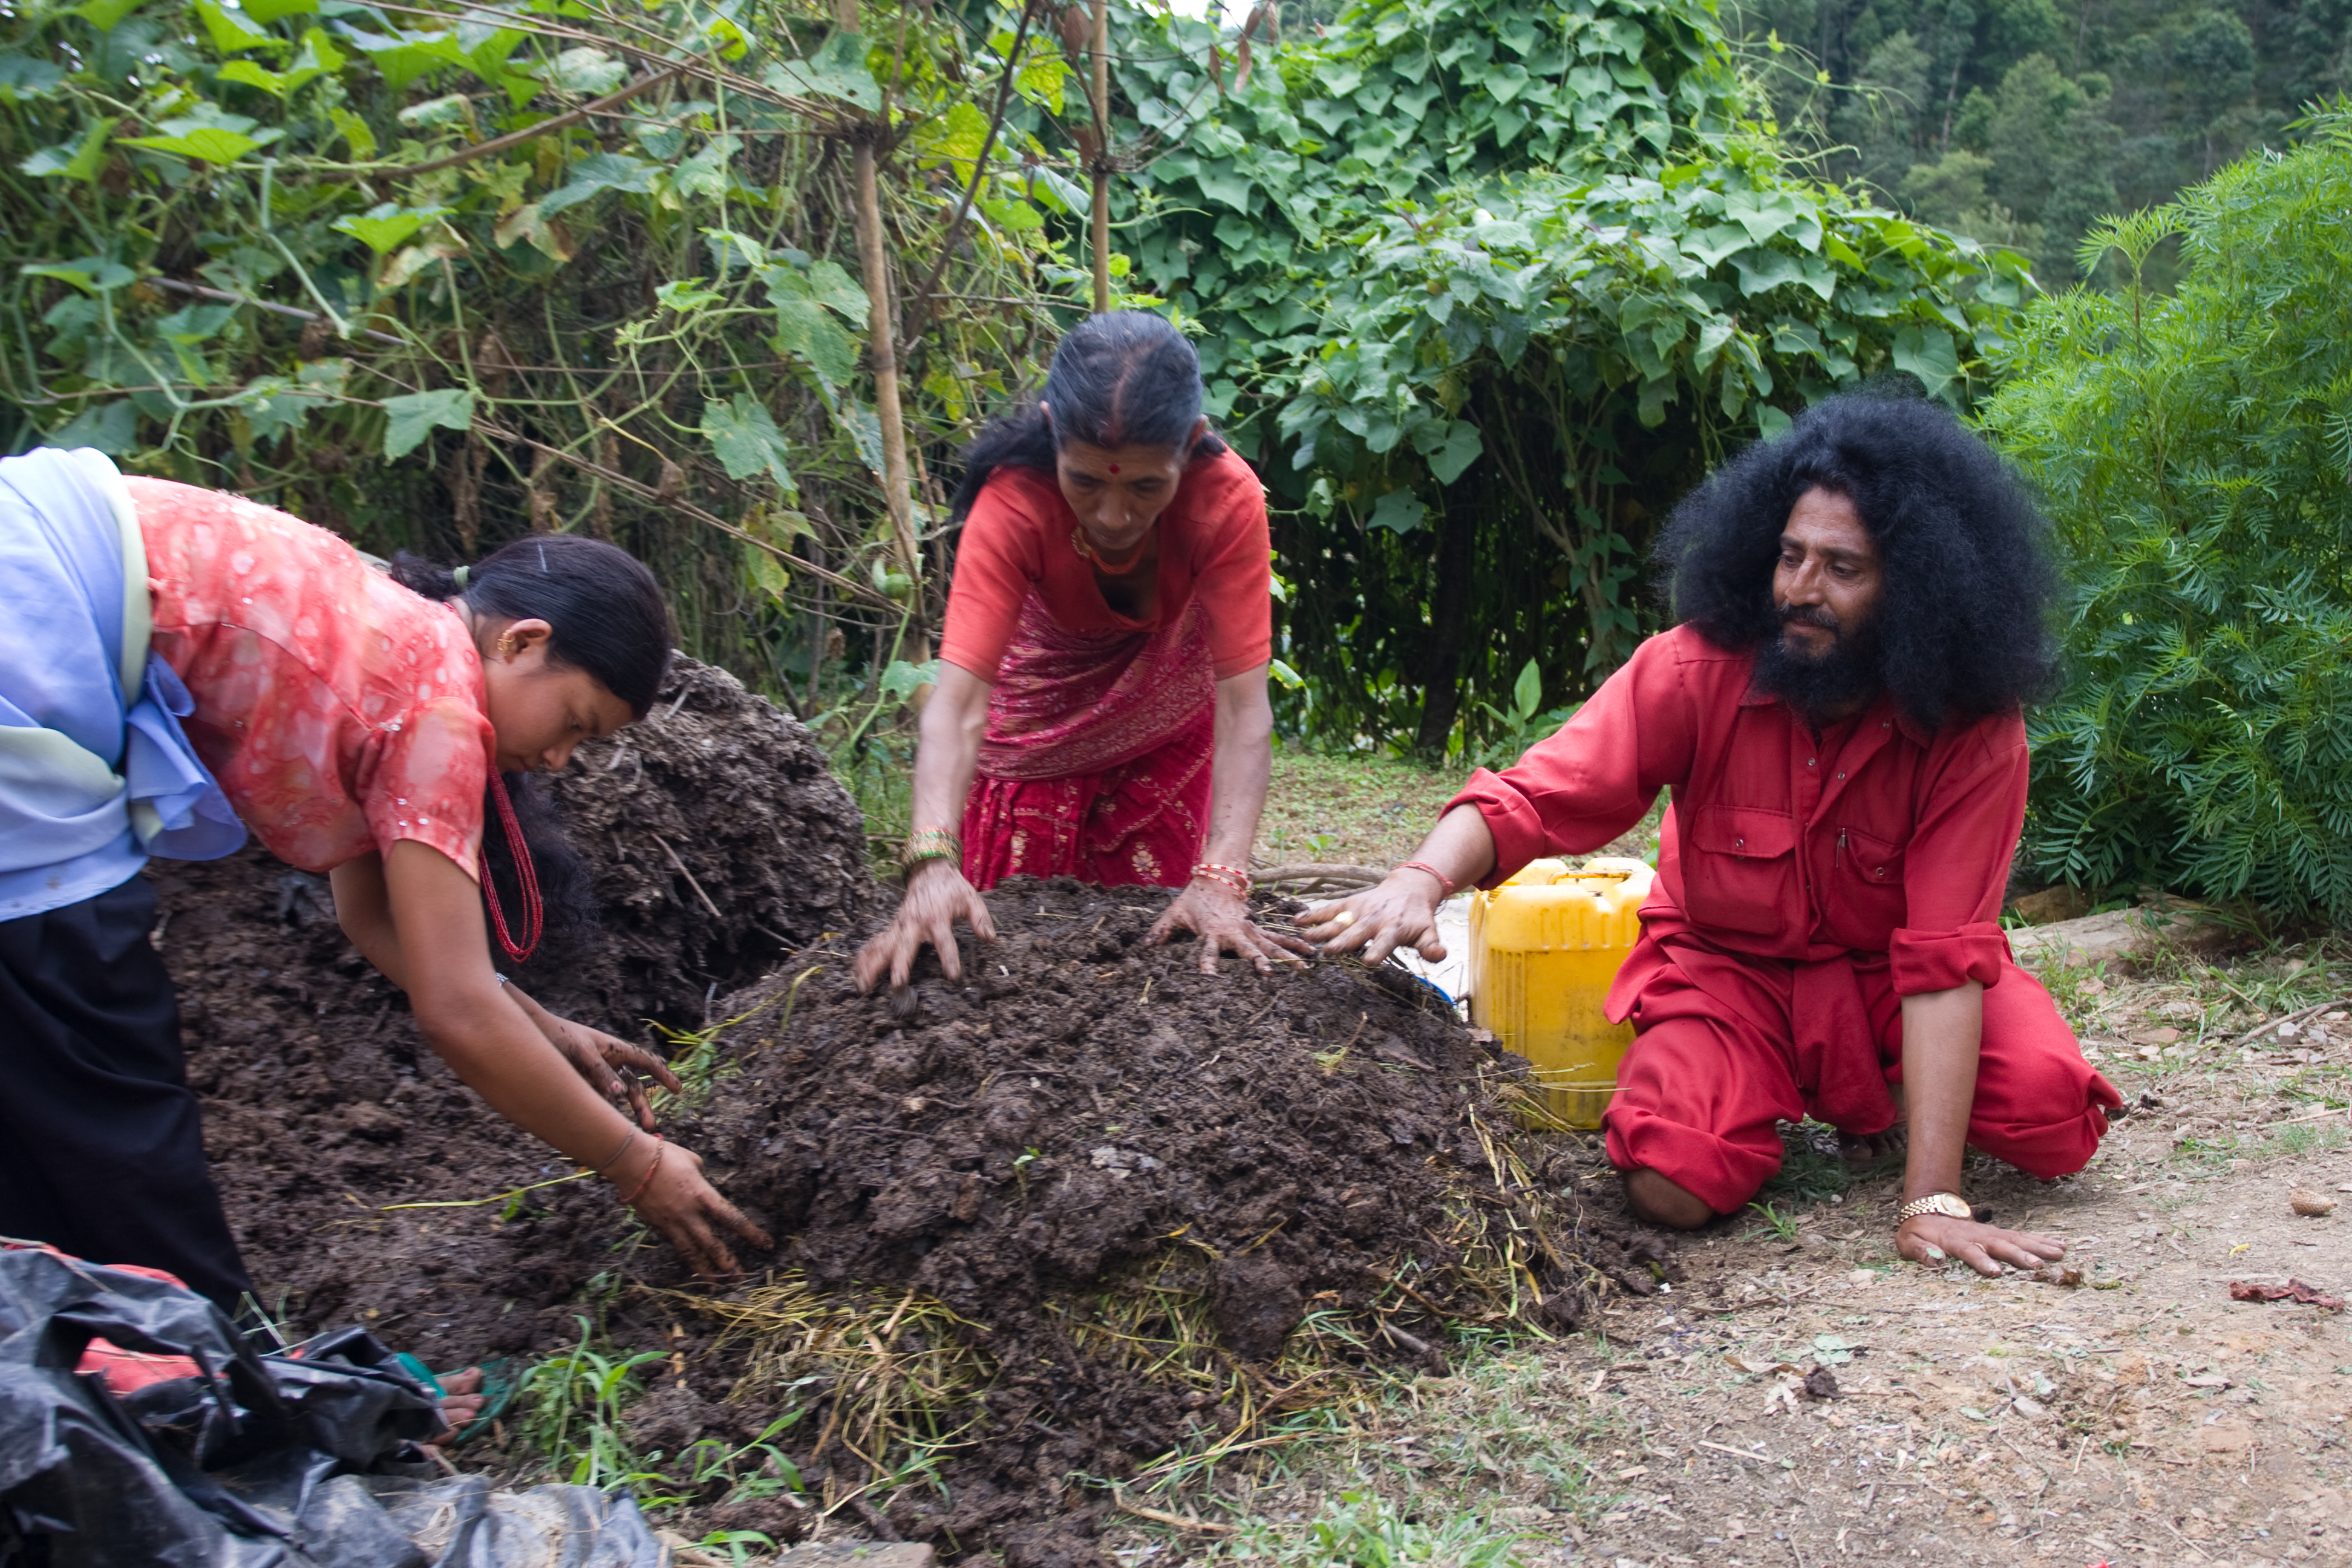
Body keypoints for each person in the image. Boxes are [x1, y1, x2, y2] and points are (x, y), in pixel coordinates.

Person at [1305, 393, 2123, 1277]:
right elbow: (1538, 796)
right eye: (1791, 556)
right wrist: (1422, 879)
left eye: (1843, 569)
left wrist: (1931, 1201)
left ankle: (1884, 1098)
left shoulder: (1972, 729)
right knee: (1669, 1183)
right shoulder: (1693, 669)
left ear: (1918, 586)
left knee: (2053, 1118)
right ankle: (1746, 1097)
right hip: (1726, 982)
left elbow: (1941, 960)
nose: (1801, 592)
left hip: (1891, 989)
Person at [0, 448, 770, 1338]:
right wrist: (637, 1162)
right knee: (97, 1048)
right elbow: (455, 1010)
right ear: (522, 643)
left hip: (40, 530)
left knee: (31, 1042)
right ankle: (226, 1388)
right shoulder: (441, 713)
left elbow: (369, 918)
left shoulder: (397, 631)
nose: (559, 760)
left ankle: (90, 1348)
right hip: (34, 620)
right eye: (573, 725)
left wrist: (547, 1028)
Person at [855, 312, 1307, 991]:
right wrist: (930, 867)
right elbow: (958, 707)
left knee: (1161, 954)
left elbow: (1244, 709)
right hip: (1032, 733)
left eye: (1146, 486)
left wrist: (1223, 879)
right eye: (1087, 482)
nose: (1115, 515)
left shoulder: (1227, 500)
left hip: (1163, 734)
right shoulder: (1013, 503)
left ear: (1192, 443)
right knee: (1005, 955)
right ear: (1052, 431)